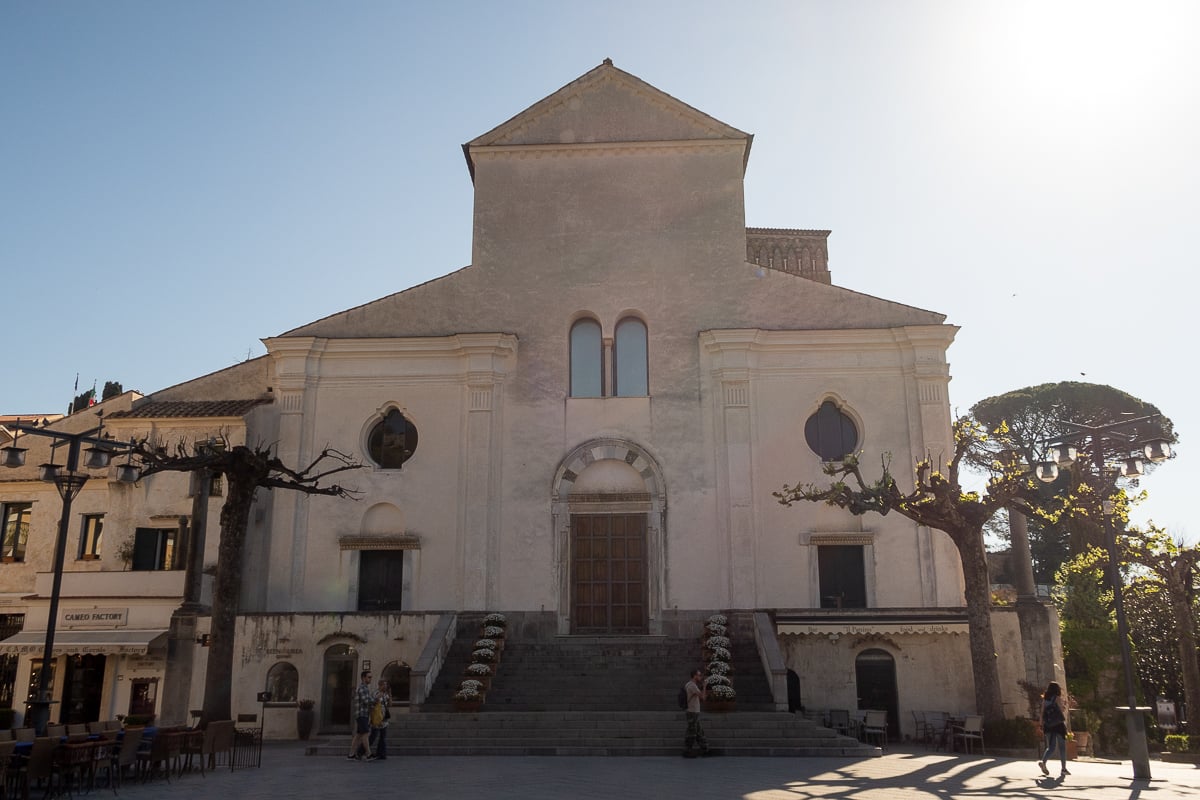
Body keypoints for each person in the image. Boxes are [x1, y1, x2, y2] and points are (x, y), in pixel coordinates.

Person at [1038, 681, 1069, 777]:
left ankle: (1043, 762)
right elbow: (1062, 709)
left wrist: (1040, 724)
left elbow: (1042, 712)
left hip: (1048, 725)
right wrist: (1064, 704)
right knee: (1062, 747)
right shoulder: (1057, 698)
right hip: (1058, 725)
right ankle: (1063, 769)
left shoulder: (1045, 699)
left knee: (1050, 747)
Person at [682, 668, 710, 758]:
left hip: (694, 711)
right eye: (699, 675)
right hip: (692, 712)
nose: (700, 677)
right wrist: (705, 686)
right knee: (692, 732)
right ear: (694, 676)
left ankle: (704, 749)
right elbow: (703, 697)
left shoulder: (692, 685)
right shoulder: (692, 685)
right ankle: (687, 751)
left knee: (699, 732)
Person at [347, 669, 374, 761]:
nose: (370, 679)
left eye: (371, 677)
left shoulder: (365, 688)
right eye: (369, 677)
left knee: (358, 735)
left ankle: (351, 755)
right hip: (362, 714)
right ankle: (368, 754)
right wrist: (376, 700)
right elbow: (366, 701)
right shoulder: (362, 688)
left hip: (363, 714)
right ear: (363, 678)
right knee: (365, 734)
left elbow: (369, 700)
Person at [368, 678, 392, 760]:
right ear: (380, 685)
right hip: (377, 718)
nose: (385, 686)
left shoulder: (386, 694)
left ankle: (381, 754)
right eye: (384, 685)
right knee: (373, 737)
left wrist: (390, 694)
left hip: (384, 718)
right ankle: (361, 751)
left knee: (383, 737)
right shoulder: (376, 693)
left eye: (386, 685)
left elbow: (390, 704)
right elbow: (372, 704)